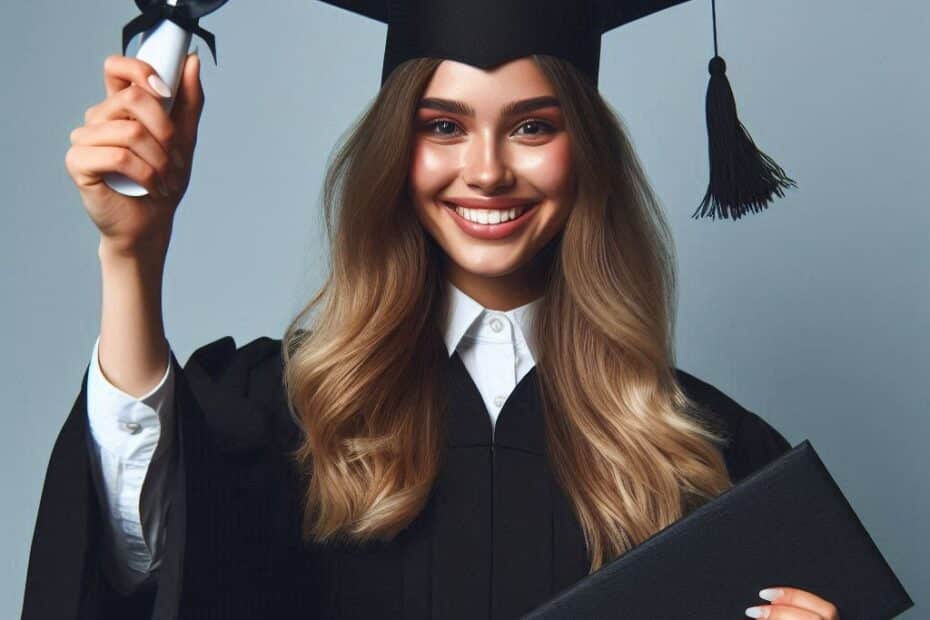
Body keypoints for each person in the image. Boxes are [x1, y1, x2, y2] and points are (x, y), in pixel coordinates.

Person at [23, 2, 840, 619]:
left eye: (532, 126)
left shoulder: (703, 452)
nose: (486, 171)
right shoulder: (285, 410)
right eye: (443, 126)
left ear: (585, 151)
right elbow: (135, 562)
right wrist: (133, 254)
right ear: (394, 153)